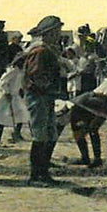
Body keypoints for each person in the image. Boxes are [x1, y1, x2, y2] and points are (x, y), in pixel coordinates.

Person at [14, 15, 66, 186]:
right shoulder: (41, 51)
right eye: (57, 31)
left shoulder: (45, 49)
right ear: (49, 33)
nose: (59, 34)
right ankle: (36, 175)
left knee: (49, 133)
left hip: (44, 96)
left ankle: (43, 172)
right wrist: (50, 85)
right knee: (41, 134)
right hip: (38, 96)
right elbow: (36, 75)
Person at [66, 91, 107, 168]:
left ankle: (96, 159)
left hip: (101, 105)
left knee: (91, 130)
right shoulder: (74, 109)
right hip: (97, 104)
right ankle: (87, 158)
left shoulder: (74, 110)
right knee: (83, 132)